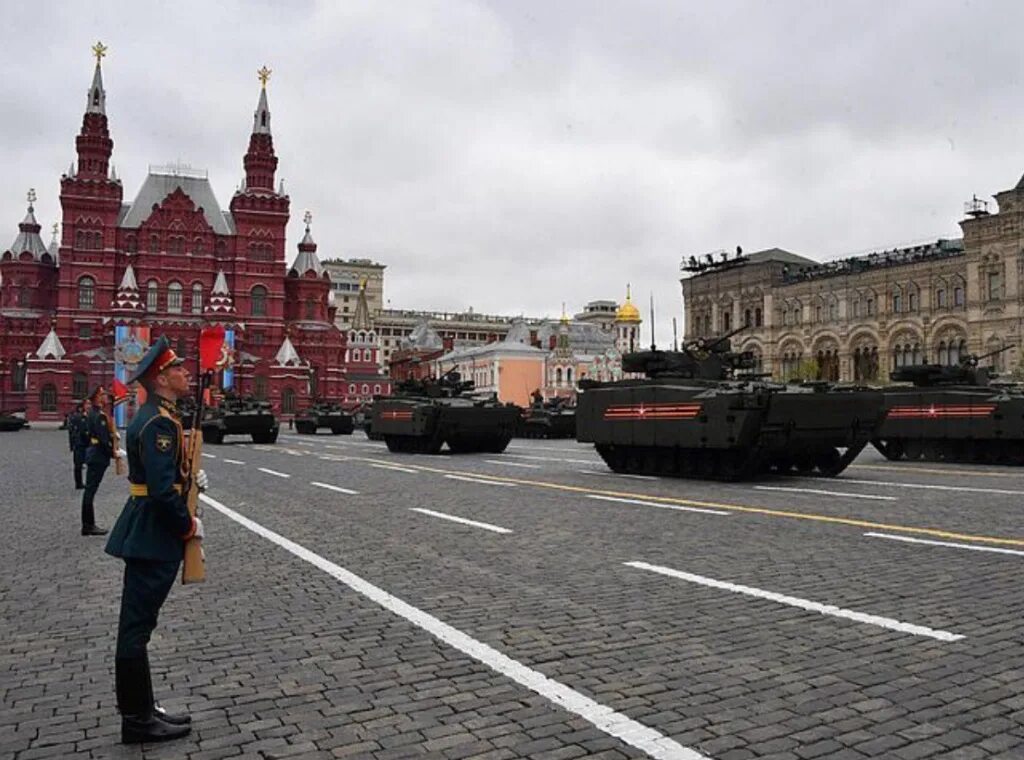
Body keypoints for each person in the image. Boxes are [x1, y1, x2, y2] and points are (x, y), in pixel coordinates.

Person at [105, 335, 208, 744]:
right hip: (153, 534)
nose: (187, 373)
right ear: (162, 378)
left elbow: (166, 478)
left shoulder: (156, 414)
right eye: (179, 368)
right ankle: (137, 719)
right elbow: (162, 492)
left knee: (139, 626)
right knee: (135, 629)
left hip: (147, 528)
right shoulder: (160, 422)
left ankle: (144, 709)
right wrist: (188, 526)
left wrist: (190, 478)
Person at [81, 387, 122, 535]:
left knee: (90, 490)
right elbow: (103, 439)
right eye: (103, 394)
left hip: (95, 454)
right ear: (98, 397)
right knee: (90, 491)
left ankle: (88, 524)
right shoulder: (98, 415)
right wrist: (113, 452)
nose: (106, 397)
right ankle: (88, 525)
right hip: (98, 456)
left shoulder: (95, 413)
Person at [68, 400, 90, 489]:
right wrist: (72, 444)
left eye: (90, 404)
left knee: (91, 465)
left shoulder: (94, 416)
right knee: (78, 465)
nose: (89, 406)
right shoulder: (77, 417)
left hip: (90, 444)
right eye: (87, 404)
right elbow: (72, 431)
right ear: (83, 406)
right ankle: (78, 483)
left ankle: (89, 482)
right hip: (80, 444)